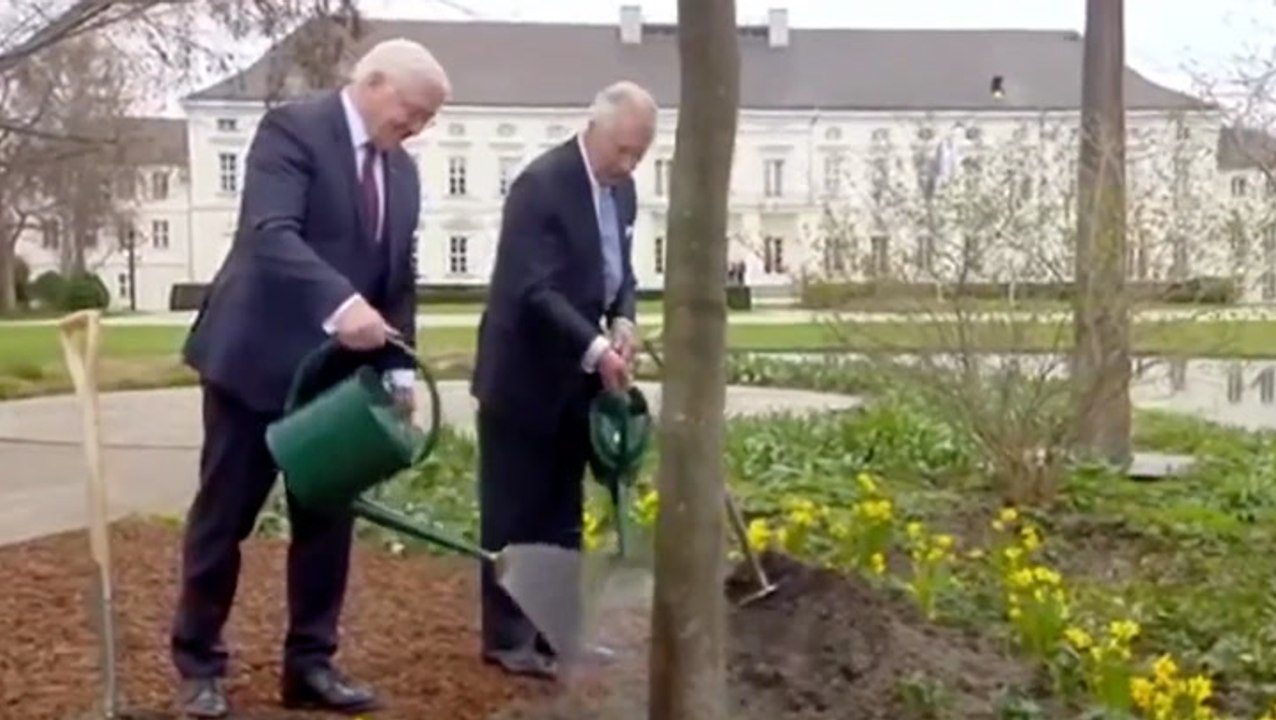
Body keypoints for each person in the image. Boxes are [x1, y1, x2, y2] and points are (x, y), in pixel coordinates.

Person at [170, 39, 450, 717]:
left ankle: (311, 666)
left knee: (326, 524)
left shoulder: (403, 173)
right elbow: (272, 234)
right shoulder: (293, 131)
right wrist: (340, 302)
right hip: (255, 363)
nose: (415, 128)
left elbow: (396, 279)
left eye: (426, 121)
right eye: (412, 112)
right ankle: (199, 666)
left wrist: (396, 366)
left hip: (338, 382)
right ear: (375, 83)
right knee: (224, 519)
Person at [470, 80, 657, 680]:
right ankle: (507, 637)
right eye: (622, 150)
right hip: (522, 377)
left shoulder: (622, 192)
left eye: (639, 154)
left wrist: (624, 318)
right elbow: (532, 290)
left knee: (563, 511)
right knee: (513, 510)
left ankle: (557, 634)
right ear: (593, 127)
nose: (627, 165)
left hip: (576, 382)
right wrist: (596, 345)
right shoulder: (541, 185)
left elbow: (620, 273)